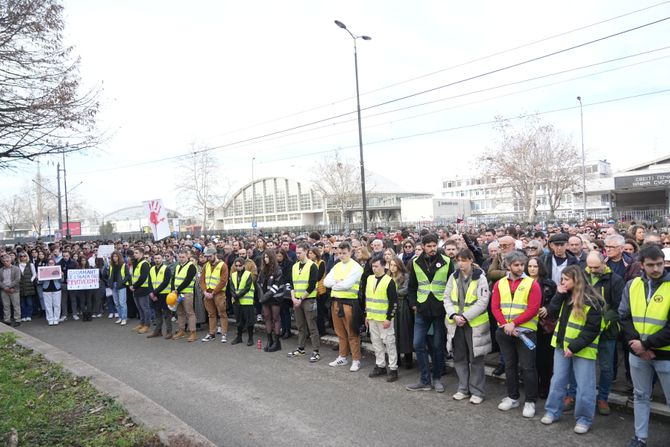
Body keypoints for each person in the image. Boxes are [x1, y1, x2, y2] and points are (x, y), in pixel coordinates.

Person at [540, 266, 604, 435]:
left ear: (577, 280)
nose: (562, 282)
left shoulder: (592, 301)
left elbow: (592, 329)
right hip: (562, 346)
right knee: (558, 381)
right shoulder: (564, 295)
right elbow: (551, 314)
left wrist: (574, 347)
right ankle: (552, 411)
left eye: (566, 279)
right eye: (562, 279)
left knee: (585, 386)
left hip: (582, 349)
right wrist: (559, 294)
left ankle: (584, 419)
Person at [619, 245, 670, 447]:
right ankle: (640, 438)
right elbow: (624, 316)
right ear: (642, 265)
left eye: (659, 264)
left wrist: (646, 345)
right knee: (640, 396)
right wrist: (637, 346)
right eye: (651, 265)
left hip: (665, 355)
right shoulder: (632, 285)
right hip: (638, 353)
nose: (656, 268)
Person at [562, 251, 624, 415]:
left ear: (605, 262)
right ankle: (571, 394)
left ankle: (603, 397)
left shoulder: (615, 280)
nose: (592, 270)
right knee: (577, 364)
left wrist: (602, 322)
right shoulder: (583, 275)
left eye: (596, 267)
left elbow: (619, 307)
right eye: (589, 267)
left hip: (606, 332)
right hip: (583, 330)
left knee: (606, 367)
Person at [491, 251, 541, 418]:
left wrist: (513, 324)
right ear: (509, 266)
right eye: (516, 265)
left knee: (528, 367)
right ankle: (513, 397)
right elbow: (495, 307)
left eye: (522, 265)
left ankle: (530, 401)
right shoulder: (499, 284)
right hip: (505, 331)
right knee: (510, 366)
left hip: (525, 332)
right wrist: (506, 325)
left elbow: (533, 309)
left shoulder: (532, 284)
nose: (520, 268)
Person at [406, 233, 454, 393]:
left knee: (438, 346)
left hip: (440, 309)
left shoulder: (446, 261)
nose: (433, 249)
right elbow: (412, 286)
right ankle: (424, 380)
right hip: (422, 308)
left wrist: (448, 306)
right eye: (429, 246)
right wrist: (413, 304)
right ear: (424, 247)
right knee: (418, 343)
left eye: (435, 245)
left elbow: (451, 285)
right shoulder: (415, 263)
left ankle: (437, 378)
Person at [444, 248, 491, 404]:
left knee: (476, 358)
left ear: (471, 260)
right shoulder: (453, 276)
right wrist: (453, 315)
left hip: (474, 324)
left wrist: (465, 316)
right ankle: (463, 388)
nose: (461, 263)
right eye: (459, 260)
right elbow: (447, 298)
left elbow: (483, 302)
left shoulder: (480, 277)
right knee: (459, 357)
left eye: (464, 260)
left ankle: (477, 391)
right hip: (456, 323)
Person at [324, 241, 364, 372]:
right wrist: (338, 282)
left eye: (344, 253)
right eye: (339, 253)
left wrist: (335, 283)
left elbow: (347, 285)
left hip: (349, 303)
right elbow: (326, 282)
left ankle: (356, 359)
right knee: (340, 332)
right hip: (336, 302)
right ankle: (342, 356)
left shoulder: (356, 267)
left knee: (352, 332)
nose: (341, 256)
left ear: (350, 252)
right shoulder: (337, 266)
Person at [363, 254, 399, 382]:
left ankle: (393, 368)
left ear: (384, 266)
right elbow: (368, 298)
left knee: (389, 343)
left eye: (376, 266)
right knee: (376, 343)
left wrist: (389, 318)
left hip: (384, 318)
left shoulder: (389, 281)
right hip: (372, 317)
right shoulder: (370, 279)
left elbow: (393, 302)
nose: (374, 268)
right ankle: (380, 365)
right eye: (372, 266)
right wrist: (367, 315)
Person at [526, 256, 557, 399]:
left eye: (535, 266)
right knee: (531, 358)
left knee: (545, 359)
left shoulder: (549, 284)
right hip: (527, 325)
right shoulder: (523, 282)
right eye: (530, 266)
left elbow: (557, 302)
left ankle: (545, 386)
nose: (532, 269)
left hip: (544, 327)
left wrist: (547, 308)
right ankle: (533, 385)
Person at [288, 243, 321, 362]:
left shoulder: (312, 266)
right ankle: (301, 348)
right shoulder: (295, 266)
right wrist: (293, 298)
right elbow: (292, 284)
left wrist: (300, 298)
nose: (297, 255)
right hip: (297, 299)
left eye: (300, 252)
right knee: (300, 326)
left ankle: (316, 351)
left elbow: (312, 285)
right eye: (296, 252)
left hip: (308, 300)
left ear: (306, 251)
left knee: (312, 327)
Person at [199, 247, 229, 343]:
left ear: (215, 254)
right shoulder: (205, 266)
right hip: (208, 293)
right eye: (206, 256)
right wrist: (204, 291)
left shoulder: (223, 265)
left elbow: (223, 281)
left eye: (209, 256)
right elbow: (202, 280)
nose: (208, 258)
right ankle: (212, 333)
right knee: (211, 314)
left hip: (218, 293)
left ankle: (224, 334)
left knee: (222, 313)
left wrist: (213, 292)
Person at [390, 257, 413, 369]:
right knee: (394, 333)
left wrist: (391, 293)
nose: (393, 267)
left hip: (403, 306)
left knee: (404, 332)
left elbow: (405, 290)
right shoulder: (388, 277)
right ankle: (397, 357)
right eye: (391, 265)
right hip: (391, 306)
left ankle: (408, 358)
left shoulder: (405, 276)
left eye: (395, 265)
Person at [258, 249, 283, 352]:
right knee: (267, 317)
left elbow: (275, 286)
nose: (265, 259)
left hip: (275, 298)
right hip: (265, 298)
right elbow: (258, 283)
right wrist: (261, 296)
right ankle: (270, 340)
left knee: (275, 318)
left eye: (267, 257)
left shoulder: (278, 270)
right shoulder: (263, 270)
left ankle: (277, 342)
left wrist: (264, 297)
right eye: (264, 257)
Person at [171, 249, 198, 342]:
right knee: (180, 313)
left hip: (187, 293)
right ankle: (181, 330)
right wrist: (173, 290)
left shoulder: (191, 267)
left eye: (183, 257)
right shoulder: (178, 266)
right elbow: (174, 279)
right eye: (180, 257)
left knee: (190, 313)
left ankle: (193, 332)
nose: (181, 259)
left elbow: (187, 280)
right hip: (177, 293)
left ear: (187, 257)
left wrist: (177, 290)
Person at [229, 257, 256, 346]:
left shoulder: (248, 274)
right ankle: (239, 337)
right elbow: (231, 287)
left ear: (244, 265)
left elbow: (247, 287)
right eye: (236, 266)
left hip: (246, 301)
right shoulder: (233, 275)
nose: (238, 267)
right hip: (237, 302)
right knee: (239, 321)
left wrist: (237, 295)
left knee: (249, 321)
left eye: (240, 265)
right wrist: (234, 295)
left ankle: (250, 338)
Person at [147, 253, 173, 339]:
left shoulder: (166, 269)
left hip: (164, 294)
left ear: (162, 259)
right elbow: (149, 282)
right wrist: (151, 292)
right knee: (157, 313)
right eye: (155, 258)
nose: (157, 260)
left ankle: (169, 332)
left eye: (158, 258)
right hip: (154, 294)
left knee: (167, 314)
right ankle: (158, 331)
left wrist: (154, 293)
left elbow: (165, 282)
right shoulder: (151, 269)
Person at [129, 247, 152, 334]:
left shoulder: (144, 263)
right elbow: (133, 276)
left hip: (143, 289)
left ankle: (147, 325)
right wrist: (131, 285)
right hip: (136, 289)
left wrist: (134, 286)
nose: (134, 254)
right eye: (134, 253)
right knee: (139, 308)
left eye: (136, 253)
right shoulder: (136, 263)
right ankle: (142, 323)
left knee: (145, 308)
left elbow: (143, 277)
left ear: (141, 254)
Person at [108, 251, 129, 326]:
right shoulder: (111, 265)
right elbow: (109, 275)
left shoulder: (123, 265)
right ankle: (120, 317)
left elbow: (127, 276)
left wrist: (122, 282)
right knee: (116, 303)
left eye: (116, 256)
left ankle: (124, 318)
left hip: (121, 286)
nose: (114, 258)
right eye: (113, 256)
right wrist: (110, 283)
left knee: (122, 303)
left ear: (119, 257)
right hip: (113, 285)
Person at [40, 258, 62, 326]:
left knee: (57, 305)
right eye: (49, 263)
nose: (51, 264)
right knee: (48, 305)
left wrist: (61, 275)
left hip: (56, 288)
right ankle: (50, 319)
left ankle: (56, 319)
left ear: (54, 264)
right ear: (47, 264)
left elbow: (61, 281)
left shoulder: (57, 269)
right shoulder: (44, 270)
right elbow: (40, 281)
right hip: (46, 289)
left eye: (52, 263)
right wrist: (39, 275)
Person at [1, 254, 21, 327]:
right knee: (6, 305)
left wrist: (9, 287)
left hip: (14, 290)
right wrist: (5, 287)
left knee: (16, 305)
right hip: (4, 290)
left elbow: (17, 279)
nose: (6, 262)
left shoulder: (16, 269)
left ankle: (17, 320)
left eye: (7, 261)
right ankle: (7, 320)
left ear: (10, 261)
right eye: (4, 261)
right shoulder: (1, 270)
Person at [17, 252, 37, 322]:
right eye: (21, 256)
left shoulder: (30, 264)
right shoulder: (17, 265)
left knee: (29, 302)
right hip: (21, 286)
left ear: (27, 257)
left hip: (29, 286)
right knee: (22, 303)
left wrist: (31, 280)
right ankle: (23, 315)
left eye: (24, 256)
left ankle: (29, 315)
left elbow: (34, 274)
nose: (23, 257)